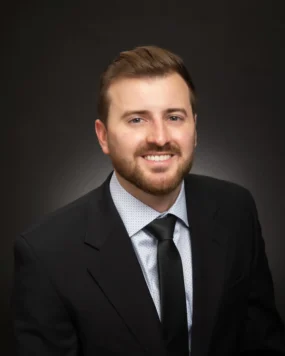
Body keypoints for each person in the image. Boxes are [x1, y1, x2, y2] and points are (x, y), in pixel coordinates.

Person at [13, 45, 285, 356]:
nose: (159, 136)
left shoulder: (237, 211)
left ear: (194, 128)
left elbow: (263, 343)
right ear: (103, 136)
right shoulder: (45, 254)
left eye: (174, 116)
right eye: (137, 120)